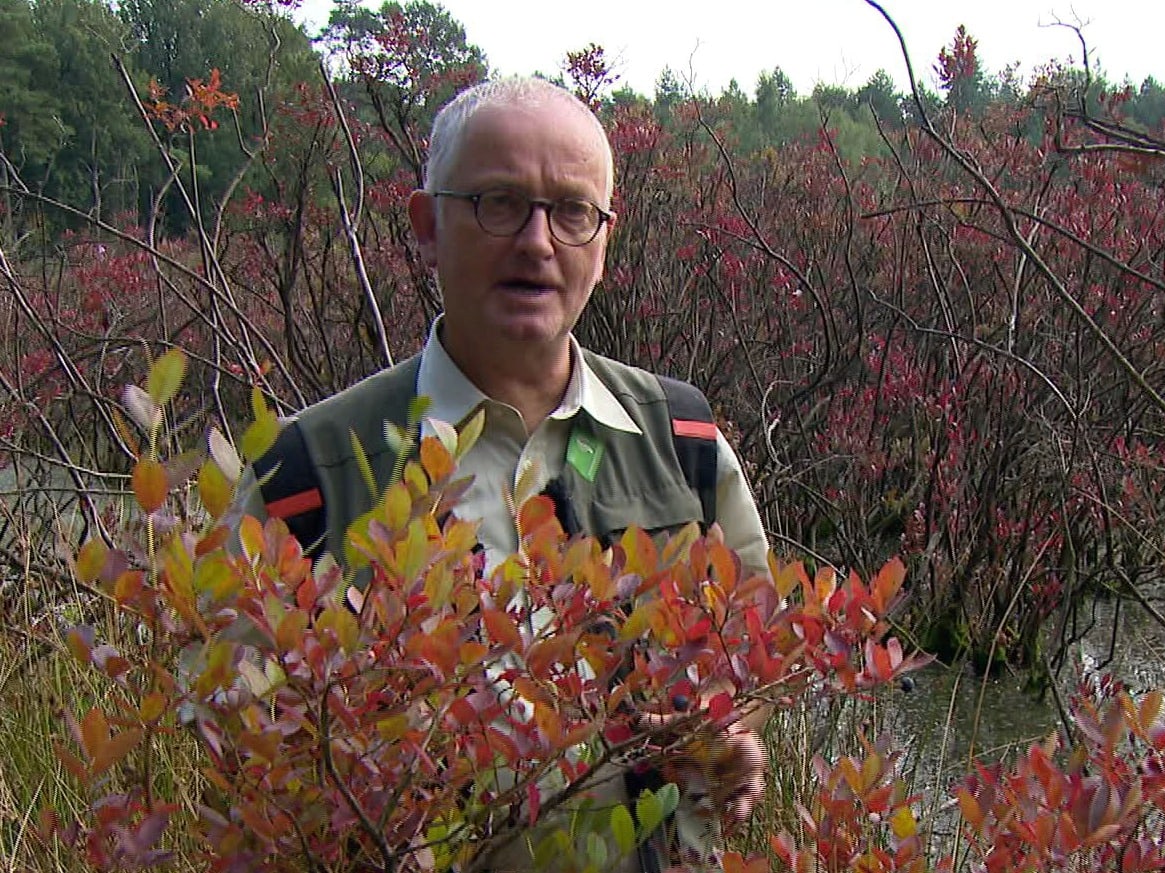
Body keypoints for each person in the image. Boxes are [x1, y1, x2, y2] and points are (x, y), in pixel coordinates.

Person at [243, 77, 770, 871]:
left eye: (571, 212)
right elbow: (242, 746)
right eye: (497, 203)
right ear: (426, 227)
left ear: (603, 241)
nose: (537, 241)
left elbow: (760, 661)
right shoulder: (301, 476)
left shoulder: (683, 441)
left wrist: (731, 737)